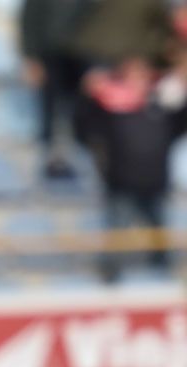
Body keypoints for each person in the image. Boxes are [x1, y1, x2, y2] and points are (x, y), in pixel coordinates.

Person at [77, 57, 187, 283]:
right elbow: (85, 129)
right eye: (132, 75)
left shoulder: (162, 107)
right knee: (116, 238)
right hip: (121, 184)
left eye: (143, 75)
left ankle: (163, 280)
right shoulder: (109, 107)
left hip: (155, 184)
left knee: (160, 241)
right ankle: (109, 281)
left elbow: (181, 122)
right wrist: (88, 96)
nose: (138, 80)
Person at [19, 0, 91, 179]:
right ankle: (50, 160)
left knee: (81, 111)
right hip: (49, 54)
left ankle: (79, 158)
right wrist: (31, 57)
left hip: (82, 55)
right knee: (49, 110)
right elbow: (29, 19)